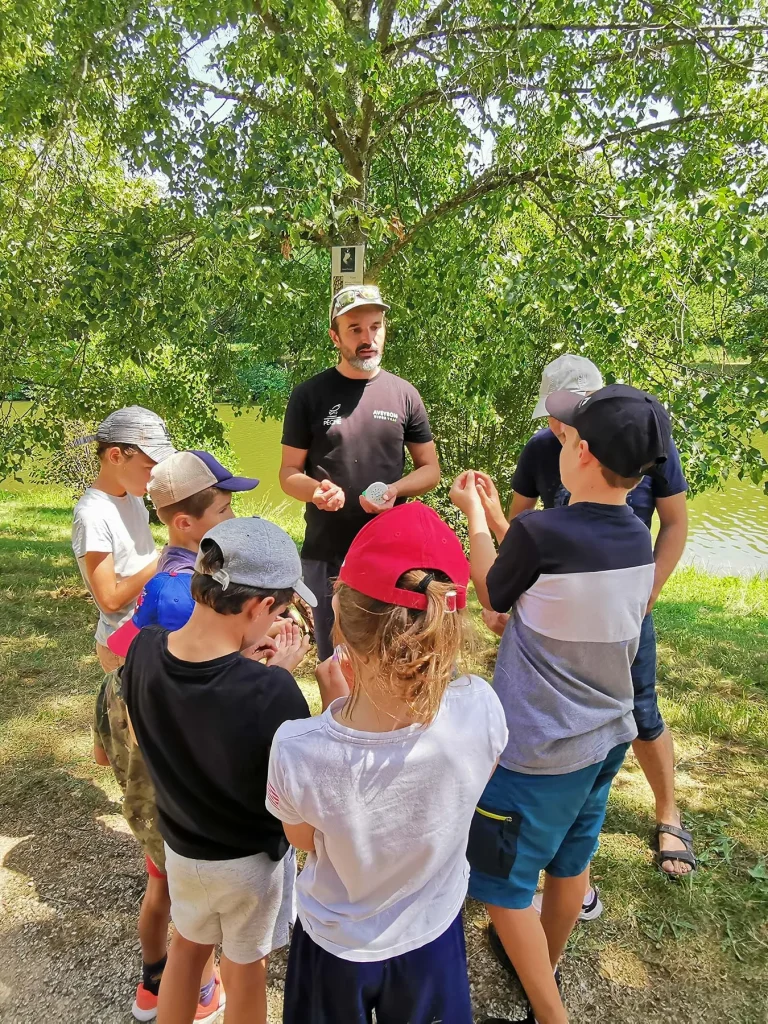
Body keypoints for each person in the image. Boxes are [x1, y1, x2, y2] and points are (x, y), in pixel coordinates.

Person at [450, 384, 669, 1024]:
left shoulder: (543, 533)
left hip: (539, 751)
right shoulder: (635, 536)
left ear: (582, 454)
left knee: (501, 885)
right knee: (572, 862)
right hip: (606, 738)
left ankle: (550, 1011)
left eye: (569, 439)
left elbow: (494, 591)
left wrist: (473, 516)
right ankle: (543, 961)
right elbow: (547, 592)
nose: (561, 444)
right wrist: (502, 522)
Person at [266, 501, 508, 1024]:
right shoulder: (483, 707)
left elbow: (304, 840)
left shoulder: (297, 747)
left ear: (342, 624)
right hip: (432, 934)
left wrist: (334, 714)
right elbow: (473, 786)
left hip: (335, 944)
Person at [486, 354, 694, 881]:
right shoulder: (540, 450)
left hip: (623, 605)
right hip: (555, 612)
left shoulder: (643, 440)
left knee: (639, 708)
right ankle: (563, 837)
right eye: (553, 418)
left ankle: (668, 812)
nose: (558, 428)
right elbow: (520, 523)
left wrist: (648, 590)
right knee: (555, 717)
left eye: (570, 416)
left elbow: (673, 524)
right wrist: (520, 591)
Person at [123, 516, 315, 1024]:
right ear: (257, 607)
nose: (280, 620)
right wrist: (273, 676)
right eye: (281, 609)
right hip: (248, 864)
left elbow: (186, 705)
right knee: (245, 969)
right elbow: (292, 785)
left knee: (187, 947)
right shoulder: (270, 692)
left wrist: (244, 660)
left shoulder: (142, 651)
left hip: (182, 848)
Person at [94, 449, 260, 1022]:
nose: (233, 514)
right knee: (186, 889)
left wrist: (103, 732)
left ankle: (152, 981)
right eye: (223, 507)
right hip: (170, 770)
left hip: (145, 757)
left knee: (162, 880)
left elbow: (117, 654)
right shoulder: (186, 592)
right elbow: (197, 680)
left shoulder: (167, 573)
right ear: (185, 522)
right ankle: (200, 986)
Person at [279, 283, 441, 660]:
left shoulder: (404, 395)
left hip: (391, 552)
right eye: (355, 329)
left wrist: (395, 490)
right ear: (335, 336)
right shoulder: (309, 395)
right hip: (327, 552)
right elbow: (288, 473)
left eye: (375, 326)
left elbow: (430, 469)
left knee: (391, 655)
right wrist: (315, 491)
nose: (367, 338)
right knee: (334, 660)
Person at [72, 406, 176, 673]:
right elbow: (110, 600)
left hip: (148, 630)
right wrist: (167, 557)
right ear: (116, 456)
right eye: (149, 468)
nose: (155, 477)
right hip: (123, 645)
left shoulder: (133, 497)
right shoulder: (92, 514)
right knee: (133, 716)